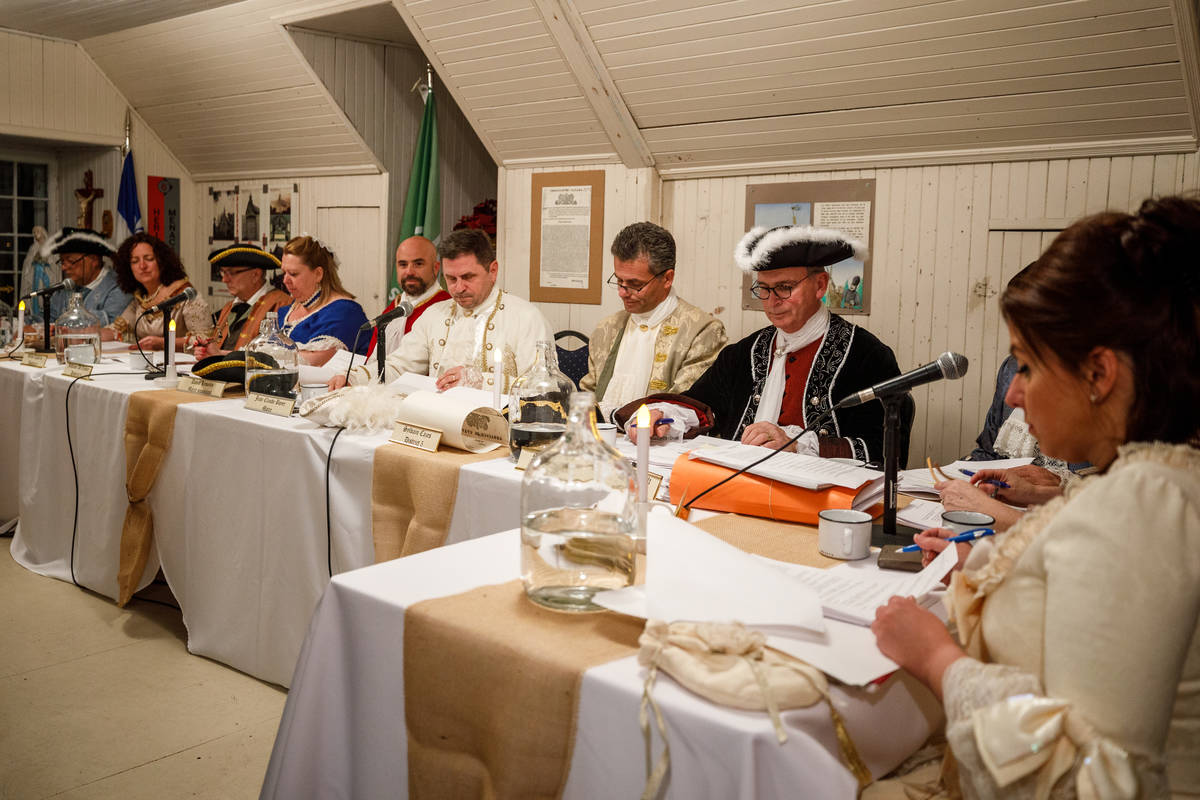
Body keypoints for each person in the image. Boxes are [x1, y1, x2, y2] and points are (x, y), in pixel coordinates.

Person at [869, 194, 1200, 798]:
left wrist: (937, 659)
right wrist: (997, 564)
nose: (1014, 394)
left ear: (1099, 375)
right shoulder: (1152, 478)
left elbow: (1093, 778)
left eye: (1025, 366)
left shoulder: (1139, 507)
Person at [621, 225, 905, 463]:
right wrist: (663, 416)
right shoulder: (745, 352)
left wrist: (799, 444)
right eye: (763, 290)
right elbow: (703, 404)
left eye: (784, 288)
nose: (772, 302)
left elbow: (884, 451)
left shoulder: (867, 356)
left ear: (820, 285)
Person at [337, 228, 552, 391]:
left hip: (500, 432)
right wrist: (354, 377)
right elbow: (399, 366)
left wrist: (480, 381)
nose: (458, 288)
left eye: (468, 277)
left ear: (493, 271)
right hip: (435, 422)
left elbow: (546, 386)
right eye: (451, 278)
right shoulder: (434, 315)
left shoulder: (526, 318)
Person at [579, 222, 727, 420]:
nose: (622, 292)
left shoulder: (703, 331)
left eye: (635, 284)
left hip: (664, 446)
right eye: (619, 280)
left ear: (667, 278)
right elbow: (587, 397)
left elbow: (684, 407)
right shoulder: (607, 328)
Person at [102, 233, 211, 350]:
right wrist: (86, 333)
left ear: (162, 261)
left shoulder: (185, 295)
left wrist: (163, 343)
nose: (142, 266)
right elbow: (117, 329)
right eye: (135, 261)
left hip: (184, 365)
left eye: (149, 259)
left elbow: (204, 340)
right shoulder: (141, 298)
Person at [276, 235, 369, 365]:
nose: (285, 280)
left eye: (293, 274)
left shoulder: (344, 312)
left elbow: (314, 362)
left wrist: (268, 355)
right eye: (284, 272)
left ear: (318, 274)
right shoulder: (286, 310)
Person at [192, 243, 290, 358]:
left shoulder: (281, 304)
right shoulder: (229, 307)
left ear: (256, 275)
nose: (224, 279)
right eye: (223, 272)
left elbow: (274, 355)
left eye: (231, 273)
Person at [365, 236, 450, 360]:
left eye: (418, 264)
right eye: (403, 264)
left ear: (436, 268)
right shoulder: (393, 309)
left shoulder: (446, 307)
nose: (409, 271)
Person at [46, 227, 132, 325]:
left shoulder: (119, 287)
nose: (64, 268)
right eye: (62, 261)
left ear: (94, 260)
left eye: (70, 261)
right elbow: (47, 319)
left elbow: (111, 324)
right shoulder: (65, 289)